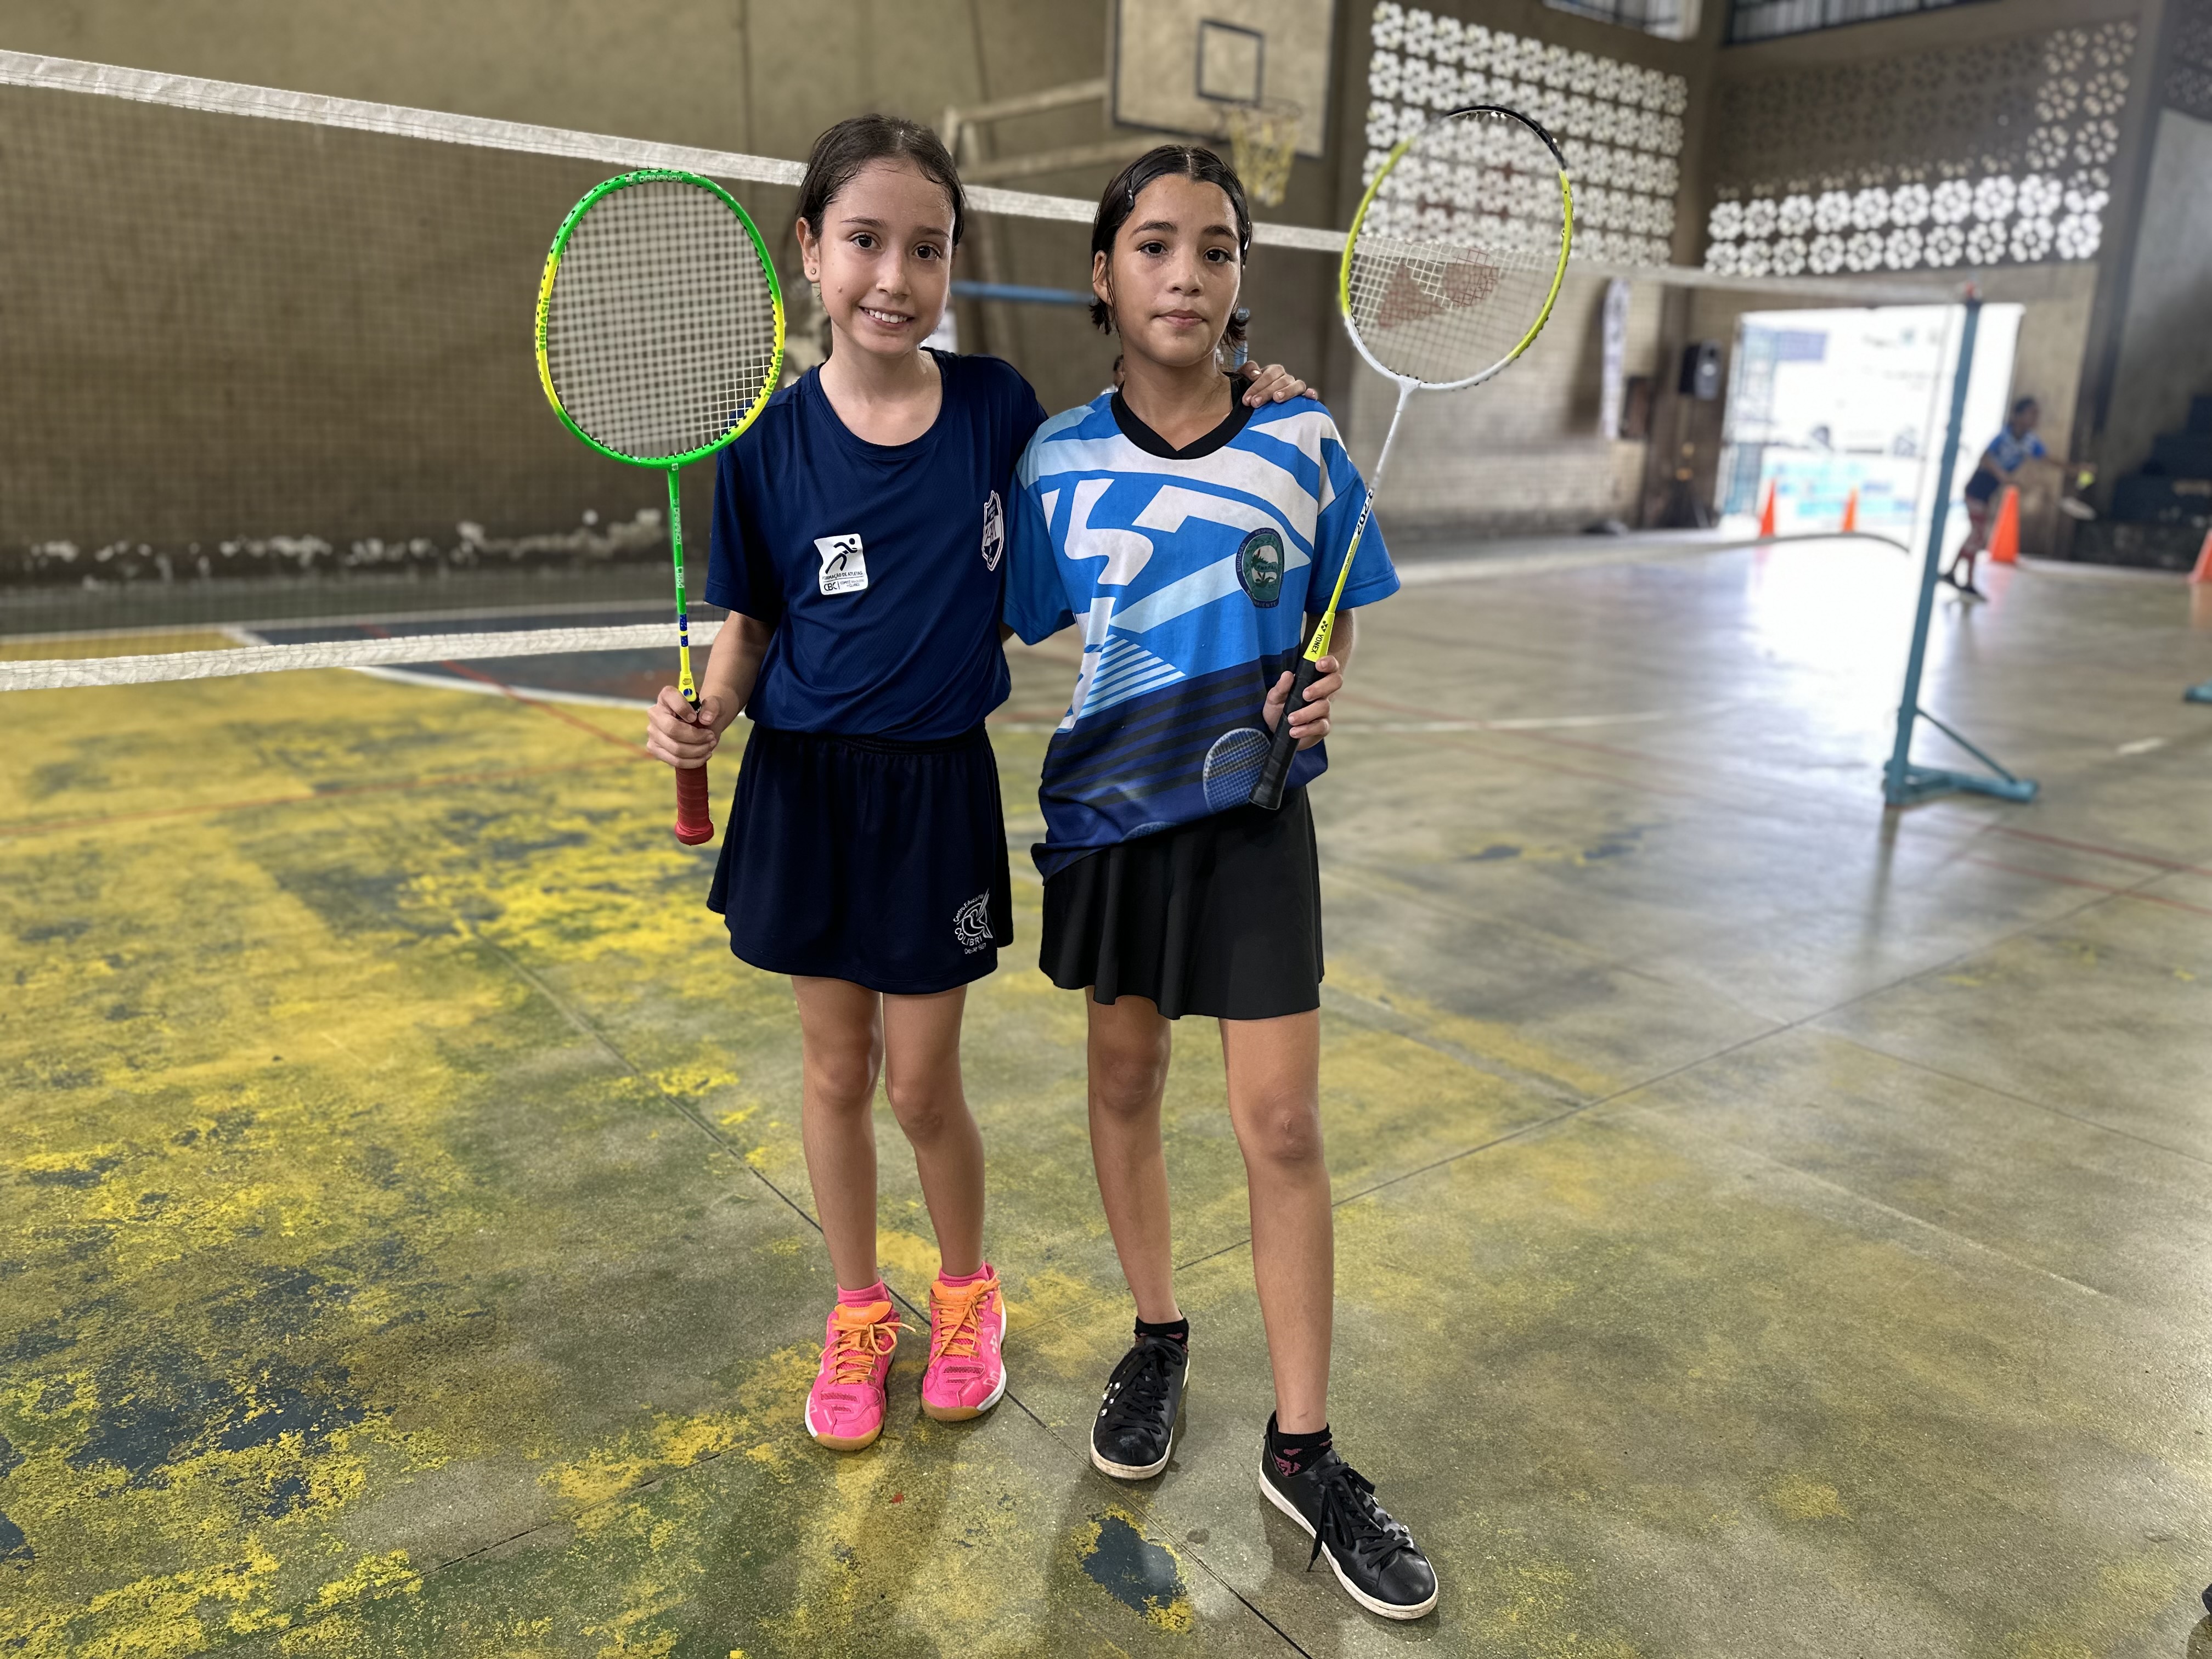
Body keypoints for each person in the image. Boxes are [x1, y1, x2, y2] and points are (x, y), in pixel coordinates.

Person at [642, 116, 1313, 1454]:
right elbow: (752, 627)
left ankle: (964, 1297)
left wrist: (1256, 383)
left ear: (954, 263)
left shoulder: (1000, 412)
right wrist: (704, 711)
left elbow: (1139, 435)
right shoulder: (763, 446)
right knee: (833, 1074)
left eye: (928, 249)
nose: (894, 277)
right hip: (805, 793)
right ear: (811, 251)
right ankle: (856, 1311)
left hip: (935, 797)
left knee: (921, 1087)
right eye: (865, 241)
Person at [1001, 144, 1437, 1621]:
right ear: (1105, 273)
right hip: (1112, 817)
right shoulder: (1056, 460)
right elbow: (1018, 616)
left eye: (1217, 249)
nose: (1186, 275)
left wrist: (1328, 672)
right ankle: (1159, 1337)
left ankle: (1303, 1451)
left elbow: (1339, 610)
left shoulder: (1302, 439)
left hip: (1255, 820)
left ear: (1243, 275)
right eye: (1154, 246)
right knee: (1125, 1083)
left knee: (1282, 1122)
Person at [1945, 396, 2047, 599]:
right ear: (2018, 415)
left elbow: (2048, 458)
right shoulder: (2004, 437)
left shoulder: (2030, 443)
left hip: (1986, 495)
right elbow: (1985, 457)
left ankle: (1953, 573)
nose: (2035, 418)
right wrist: (2003, 476)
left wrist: (2075, 469)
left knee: (1976, 536)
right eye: (2032, 413)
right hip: (1976, 491)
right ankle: (1966, 579)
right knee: (1977, 536)